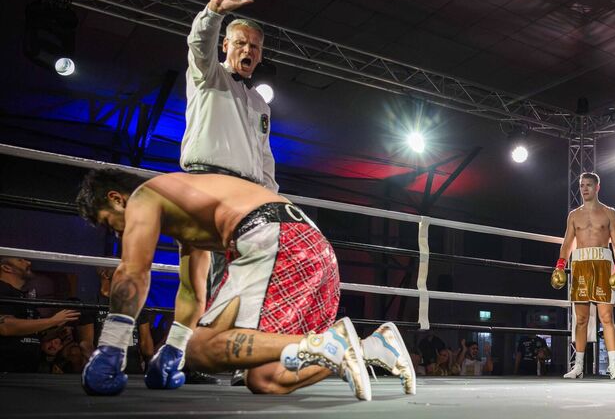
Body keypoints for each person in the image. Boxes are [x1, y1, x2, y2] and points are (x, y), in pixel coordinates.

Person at [75, 169, 414, 399]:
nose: (121, 233)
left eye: (111, 224)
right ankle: (371, 347)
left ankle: (332, 341)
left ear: (117, 198)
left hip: (272, 236)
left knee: (201, 349)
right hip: (310, 246)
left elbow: (133, 271)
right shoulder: (188, 220)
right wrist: (173, 350)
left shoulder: (144, 197)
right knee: (264, 379)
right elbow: (193, 293)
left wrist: (112, 347)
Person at [180, 0, 278, 386]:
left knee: (245, 274)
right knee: (199, 275)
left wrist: (273, 200)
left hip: (246, 194)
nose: (250, 50)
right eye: (242, 42)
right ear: (226, 45)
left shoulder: (260, 103)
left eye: (256, 46)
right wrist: (213, 10)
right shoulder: (208, 75)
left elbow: (263, 157)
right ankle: (193, 357)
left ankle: (235, 358)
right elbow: (198, 43)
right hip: (206, 181)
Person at [551, 172, 615, 380]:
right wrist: (560, 264)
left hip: (603, 263)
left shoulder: (609, 212)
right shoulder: (574, 215)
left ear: (597, 188)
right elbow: (567, 242)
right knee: (581, 318)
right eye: (582, 185)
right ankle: (578, 366)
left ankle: (613, 366)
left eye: (589, 185)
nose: (584, 189)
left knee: (606, 317)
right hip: (581, 264)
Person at [0, 257, 80, 372]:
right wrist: (52, 321)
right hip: (6, 369)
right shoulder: (2, 290)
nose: (28, 262)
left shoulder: (22, 295)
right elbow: (4, 326)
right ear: (6, 267)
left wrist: (56, 328)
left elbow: (32, 334)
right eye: (20, 260)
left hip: (26, 369)